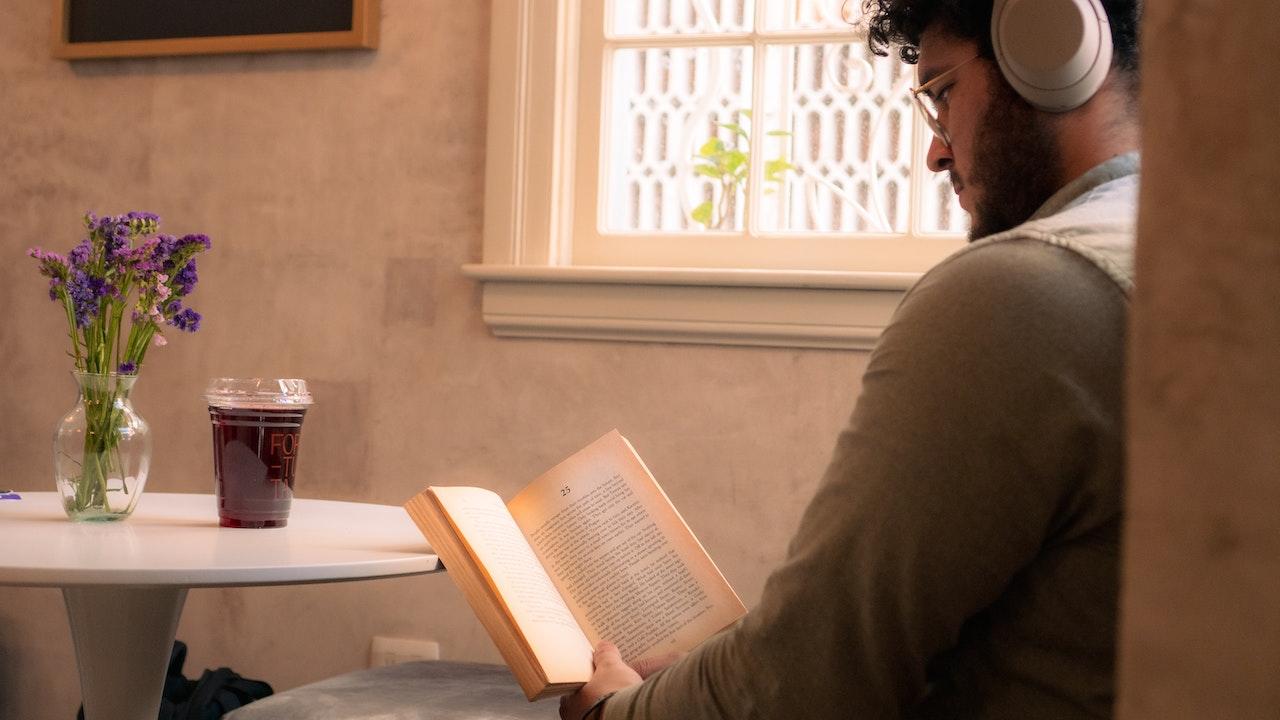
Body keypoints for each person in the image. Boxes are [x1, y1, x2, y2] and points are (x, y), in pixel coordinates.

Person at [562, 0, 1142, 717]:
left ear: (1048, 44)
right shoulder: (1198, 262)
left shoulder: (1025, 291)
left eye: (941, 93)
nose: (936, 151)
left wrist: (615, 710)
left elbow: (807, 682)